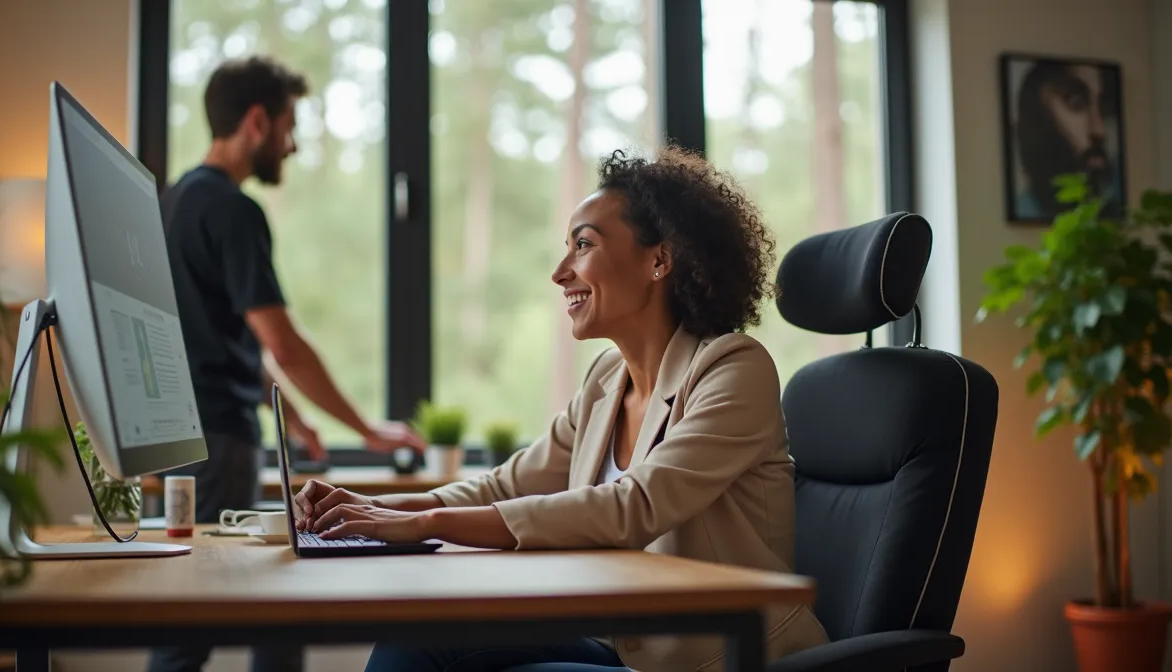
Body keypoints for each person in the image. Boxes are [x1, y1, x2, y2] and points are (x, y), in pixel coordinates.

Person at [294, 146, 831, 672]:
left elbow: (634, 507)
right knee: (417, 639)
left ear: (659, 260)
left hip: (710, 654)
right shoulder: (605, 379)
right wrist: (377, 512)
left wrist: (428, 523)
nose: (559, 271)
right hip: (618, 639)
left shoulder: (733, 367)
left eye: (583, 246)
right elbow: (508, 487)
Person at [150, 55, 425, 672]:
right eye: (288, 125)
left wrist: (296, 420)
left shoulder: (175, 202)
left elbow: (228, 340)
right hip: (221, 440)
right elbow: (284, 343)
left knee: (230, 616)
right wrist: (367, 431)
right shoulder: (231, 209)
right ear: (256, 121)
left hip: (192, 438)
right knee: (229, 622)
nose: (293, 144)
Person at [1013, 60, 1122, 219]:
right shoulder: (1024, 209)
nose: (1099, 130)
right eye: (1076, 103)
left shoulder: (1117, 194)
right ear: (1038, 120)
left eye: (1103, 106)